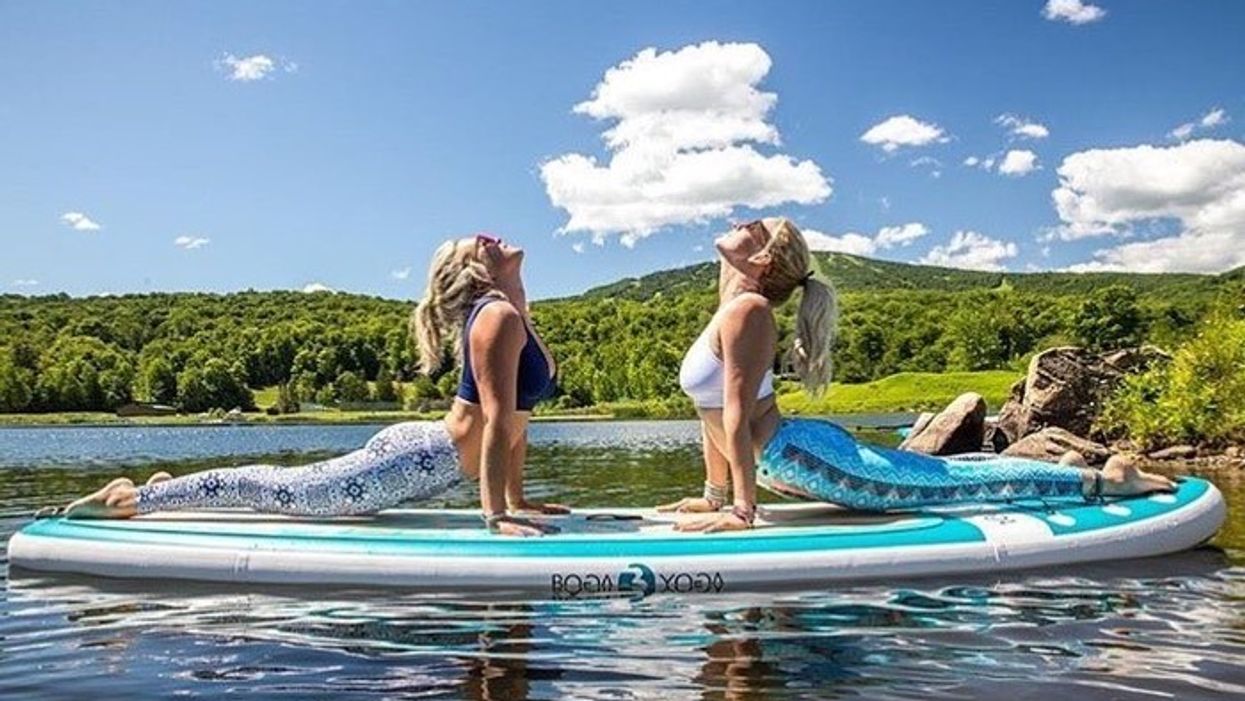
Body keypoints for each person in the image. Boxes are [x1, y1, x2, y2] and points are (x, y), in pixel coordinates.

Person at [659, 217, 1175, 532]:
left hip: (802, 457)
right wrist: (713, 496)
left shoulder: (749, 311)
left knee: (946, 483)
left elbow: (736, 412)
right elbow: (710, 413)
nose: (739, 221)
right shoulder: (734, 306)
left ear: (762, 259)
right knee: (937, 474)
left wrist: (741, 511)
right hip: (790, 457)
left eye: (752, 225)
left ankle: (1105, 480)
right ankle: (1060, 471)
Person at [56, 232, 567, 537]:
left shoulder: (512, 315)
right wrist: (495, 515)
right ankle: (128, 499)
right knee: (277, 488)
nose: (492, 238)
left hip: (430, 460)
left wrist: (518, 500)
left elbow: (516, 423)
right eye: (481, 241)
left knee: (282, 491)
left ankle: (168, 491)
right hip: (414, 461)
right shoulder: (495, 316)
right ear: (475, 271)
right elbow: (496, 421)